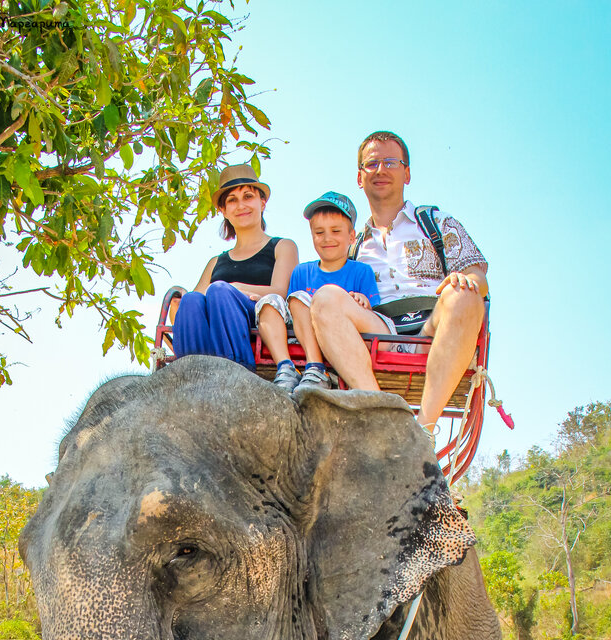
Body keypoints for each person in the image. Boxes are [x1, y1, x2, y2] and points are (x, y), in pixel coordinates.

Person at [309, 131, 488, 437]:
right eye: (372, 164)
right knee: (325, 298)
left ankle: (424, 431)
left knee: (466, 294)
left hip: (433, 319)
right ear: (359, 177)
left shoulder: (435, 222)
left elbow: (478, 278)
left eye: (390, 162)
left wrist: (466, 281)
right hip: (378, 324)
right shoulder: (352, 242)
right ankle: (386, 418)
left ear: (406, 173)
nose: (380, 170)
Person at [172, 164, 298, 370]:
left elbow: (281, 292)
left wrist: (235, 288)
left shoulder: (282, 246)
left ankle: (236, 371)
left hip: (258, 316)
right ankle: (191, 373)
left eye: (248, 197)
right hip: (216, 324)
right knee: (191, 299)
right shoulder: (216, 262)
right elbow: (194, 303)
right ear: (223, 210)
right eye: (232, 200)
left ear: (262, 203)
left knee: (219, 291)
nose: (241, 205)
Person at [256, 191, 380, 394]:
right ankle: (285, 368)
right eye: (319, 232)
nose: (327, 238)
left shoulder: (361, 271)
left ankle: (317, 368)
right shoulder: (302, 272)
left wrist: (362, 300)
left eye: (335, 231)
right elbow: (291, 310)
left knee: (304, 299)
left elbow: (371, 313)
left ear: (351, 236)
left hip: (336, 335)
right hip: (301, 335)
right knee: (272, 301)